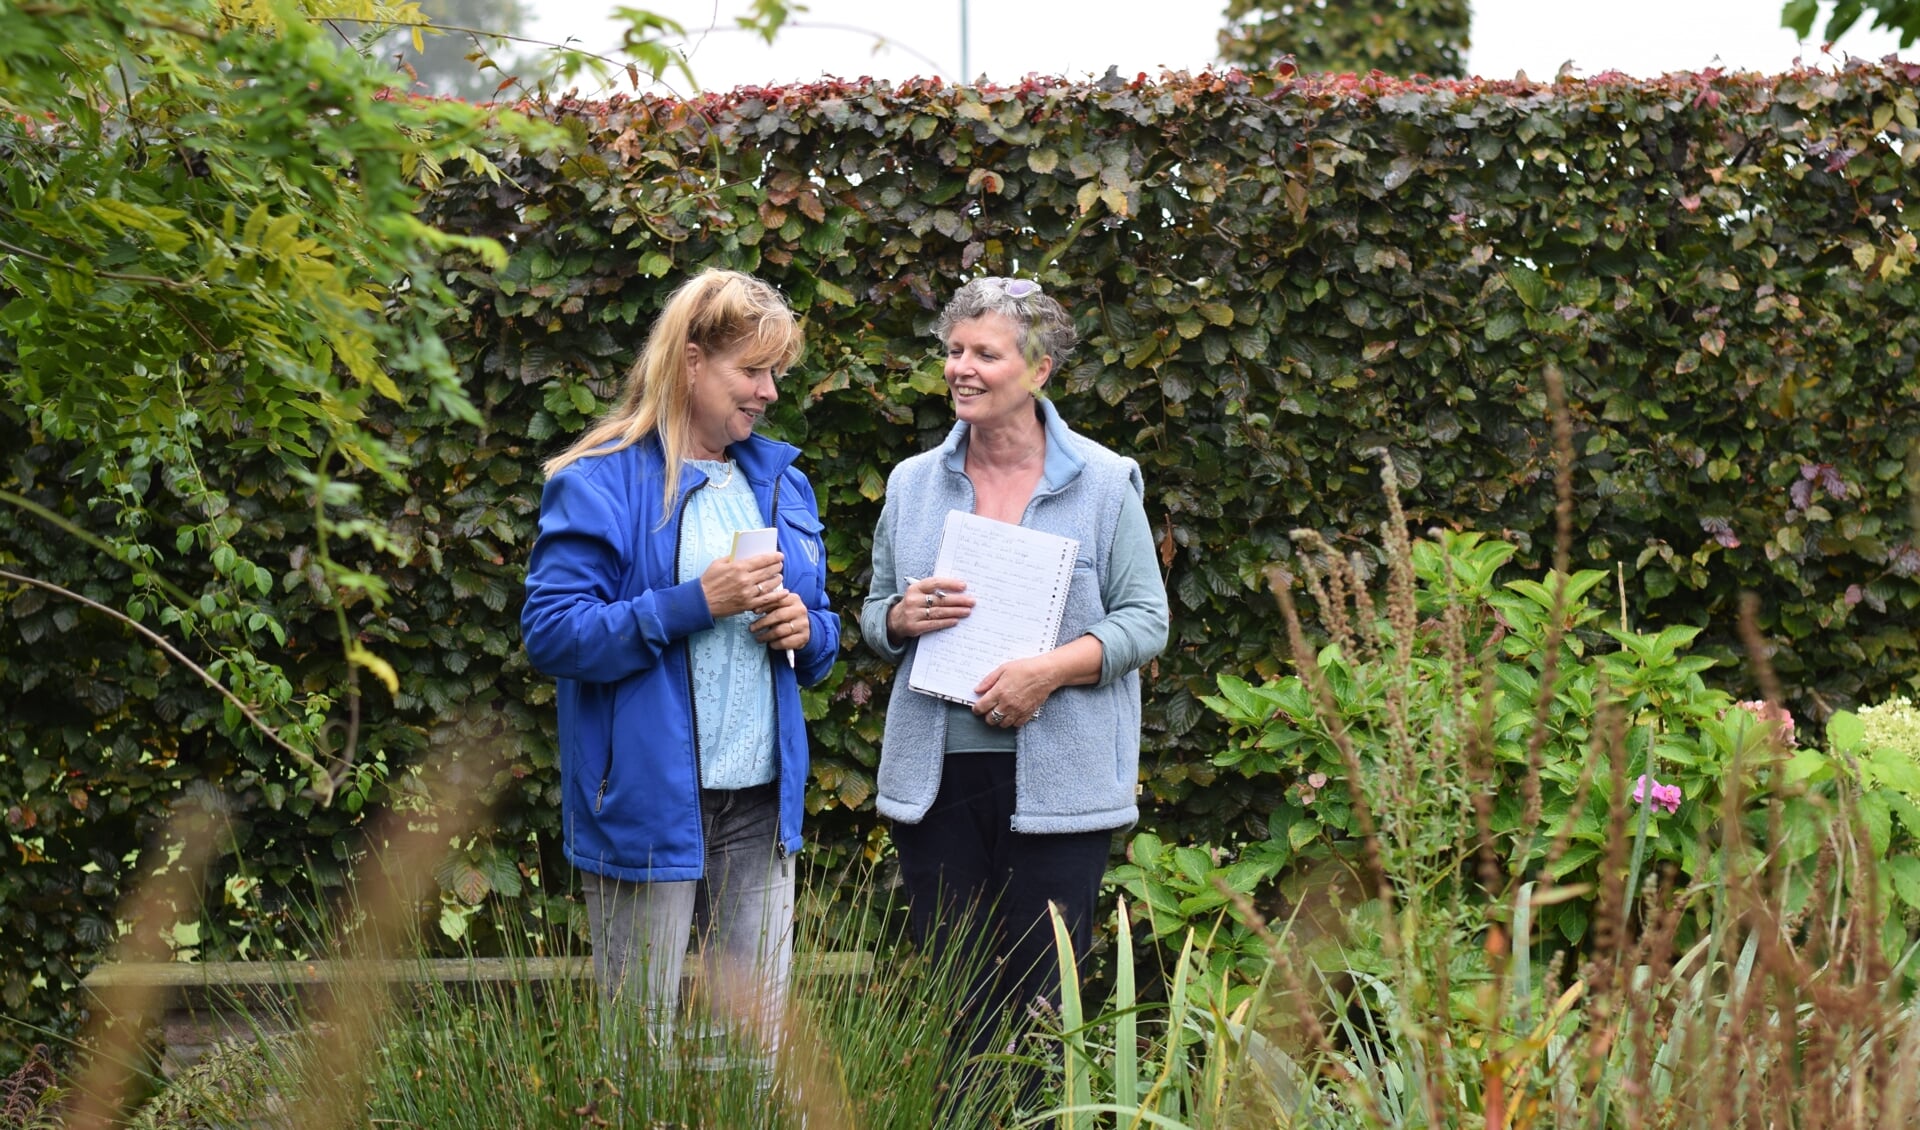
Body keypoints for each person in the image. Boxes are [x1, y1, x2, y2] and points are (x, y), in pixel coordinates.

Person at [521, 268, 840, 1066]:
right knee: (637, 1056)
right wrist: (694, 602)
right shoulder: (599, 479)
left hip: (760, 806)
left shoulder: (780, 482)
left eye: (776, 373)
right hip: (647, 803)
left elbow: (821, 638)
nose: (768, 392)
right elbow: (554, 634)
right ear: (692, 361)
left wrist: (807, 629)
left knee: (758, 1054)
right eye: (751, 371)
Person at [859, 276, 1170, 1072]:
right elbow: (875, 616)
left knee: (1043, 1010)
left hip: (1059, 790)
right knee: (955, 1003)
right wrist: (901, 618)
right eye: (954, 351)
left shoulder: (1103, 482)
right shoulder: (911, 484)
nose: (961, 368)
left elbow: (1146, 620)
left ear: (1038, 372)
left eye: (984, 354)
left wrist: (1049, 672)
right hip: (936, 782)